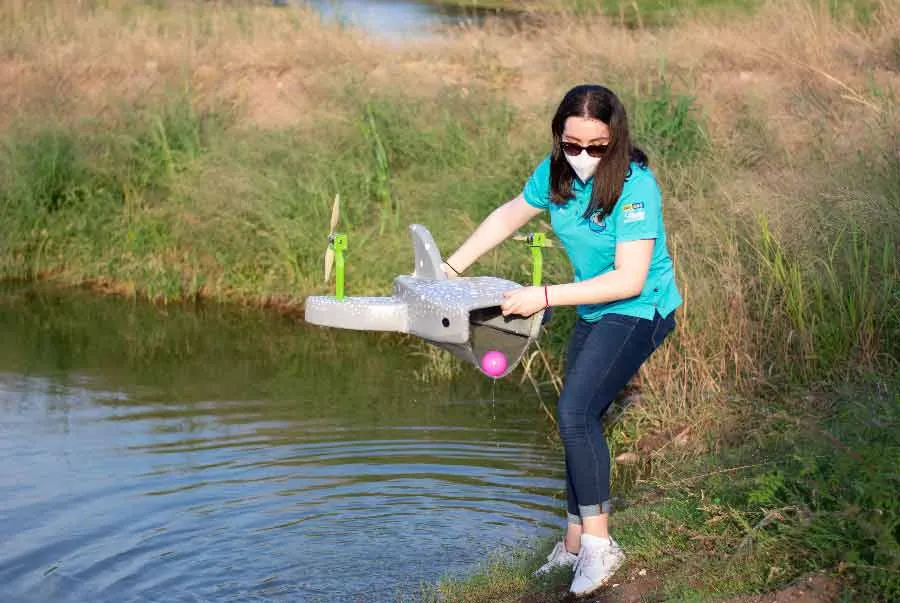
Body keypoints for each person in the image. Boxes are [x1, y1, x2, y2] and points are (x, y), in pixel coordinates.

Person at [440, 84, 682, 596]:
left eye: (596, 147)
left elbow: (629, 280)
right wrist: (450, 267)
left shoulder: (637, 187)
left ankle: (600, 548)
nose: (583, 158)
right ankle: (573, 543)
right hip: (593, 307)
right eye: (572, 145)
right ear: (559, 137)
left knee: (574, 412)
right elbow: (509, 214)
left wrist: (544, 295)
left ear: (615, 141)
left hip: (641, 309)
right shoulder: (556, 174)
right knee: (580, 415)